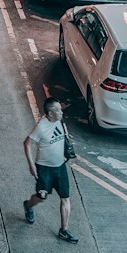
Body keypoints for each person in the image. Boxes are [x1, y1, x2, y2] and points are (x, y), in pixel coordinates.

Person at [23, 97, 78, 243]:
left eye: (61, 108)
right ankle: (28, 206)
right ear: (50, 113)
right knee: (41, 196)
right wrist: (31, 165)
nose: (61, 112)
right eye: (58, 110)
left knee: (65, 198)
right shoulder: (41, 127)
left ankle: (64, 230)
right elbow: (27, 143)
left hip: (60, 167)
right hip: (44, 169)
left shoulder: (60, 121)